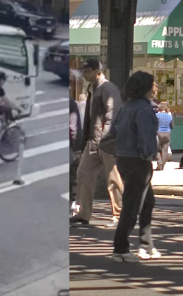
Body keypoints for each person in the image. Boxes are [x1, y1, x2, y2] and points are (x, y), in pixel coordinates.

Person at [105, 71, 160, 262]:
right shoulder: (144, 109)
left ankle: (146, 244)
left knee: (146, 201)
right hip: (138, 159)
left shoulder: (127, 106)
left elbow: (114, 132)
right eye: (152, 84)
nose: (155, 87)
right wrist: (150, 155)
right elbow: (145, 137)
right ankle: (121, 248)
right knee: (132, 204)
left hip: (123, 157)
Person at [71, 59, 125, 227]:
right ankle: (84, 213)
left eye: (87, 71)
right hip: (94, 141)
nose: (85, 75)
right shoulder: (93, 89)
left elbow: (112, 114)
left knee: (113, 179)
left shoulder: (108, 88)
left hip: (106, 141)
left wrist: (106, 139)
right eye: (84, 71)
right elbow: (90, 117)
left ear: (97, 71)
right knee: (83, 173)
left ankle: (120, 215)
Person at [155, 103, 174, 170]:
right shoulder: (169, 116)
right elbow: (172, 126)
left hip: (158, 132)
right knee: (165, 149)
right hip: (167, 133)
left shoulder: (156, 115)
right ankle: (163, 164)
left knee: (156, 148)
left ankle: (159, 161)